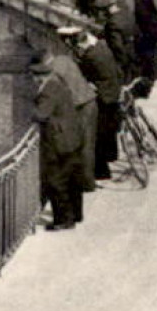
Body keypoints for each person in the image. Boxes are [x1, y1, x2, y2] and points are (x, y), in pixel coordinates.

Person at [32, 54, 86, 230]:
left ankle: (63, 220)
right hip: (72, 137)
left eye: (34, 76)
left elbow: (41, 114)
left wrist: (27, 109)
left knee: (55, 181)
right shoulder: (58, 83)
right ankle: (77, 214)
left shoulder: (47, 90)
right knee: (72, 179)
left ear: (39, 76)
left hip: (59, 142)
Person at [67, 27, 124, 181]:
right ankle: (111, 157)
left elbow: (82, 75)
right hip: (113, 93)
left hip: (104, 97)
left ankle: (101, 172)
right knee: (109, 132)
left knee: (98, 134)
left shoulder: (91, 56)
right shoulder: (101, 47)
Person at [50, 31, 100, 194]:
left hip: (82, 106)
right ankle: (87, 181)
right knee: (88, 144)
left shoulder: (54, 69)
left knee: (84, 146)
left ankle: (87, 184)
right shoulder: (65, 60)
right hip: (89, 101)